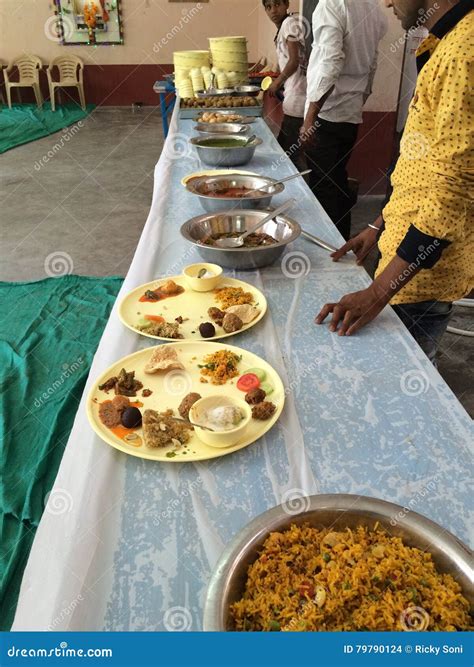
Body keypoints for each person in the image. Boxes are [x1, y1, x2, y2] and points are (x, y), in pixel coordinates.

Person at [316, 0, 474, 362]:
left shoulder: (463, 54)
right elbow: (421, 166)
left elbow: (452, 194)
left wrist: (377, 293)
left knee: (404, 379)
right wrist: (379, 225)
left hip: (421, 277)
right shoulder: (443, 44)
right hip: (403, 254)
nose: (386, 1)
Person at [301, 0, 387, 240]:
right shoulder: (373, 9)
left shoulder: (331, 5)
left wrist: (310, 116)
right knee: (337, 181)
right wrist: (360, 100)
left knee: (325, 187)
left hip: (326, 114)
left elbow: (331, 61)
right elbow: (372, 64)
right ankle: (341, 244)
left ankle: (329, 249)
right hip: (349, 114)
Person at [262, 0, 307, 170]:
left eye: (277, 4)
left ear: (286, 4)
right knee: (292, 152)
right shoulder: (287, 25)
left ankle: (301, 193)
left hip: (298, 98)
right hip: (295, 94)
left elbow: (294, 61)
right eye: (268, 7)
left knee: (288, 155)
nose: (273, 10)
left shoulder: (289, 23)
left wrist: (277, 83)